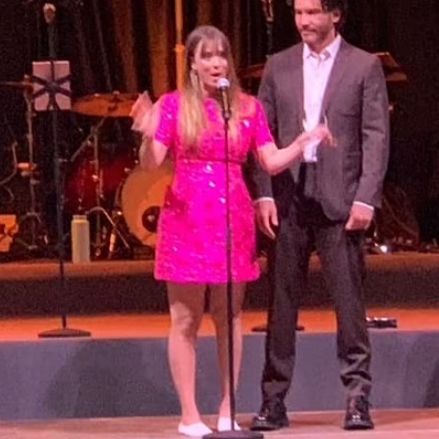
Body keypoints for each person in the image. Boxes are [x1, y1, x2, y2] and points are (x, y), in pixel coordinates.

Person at [130, 25, 330, 438]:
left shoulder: (246, 108)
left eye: (221, 54)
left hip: (232, 216)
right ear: (192, 64)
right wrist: (147, 133)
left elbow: (269, 160)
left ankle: (227, 409)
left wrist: (303, 142)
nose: (216, 62)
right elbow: (152, 163)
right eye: (206, 56)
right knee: (185, 318)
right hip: (187, 217)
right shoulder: (173, 106)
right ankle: (189, 415)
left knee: (230, 315)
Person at [249, 0, 390, 432]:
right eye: (298, 13)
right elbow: (262, 133)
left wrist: (366, 197)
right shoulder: (279, 65)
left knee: (349, 305)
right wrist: (264, 192)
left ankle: (358, 398)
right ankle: (273, 401)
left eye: (312, 12)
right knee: (281, 306)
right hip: (289, 198)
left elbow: (375, 136)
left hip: (341, 200)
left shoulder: (363, 66)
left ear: (335, 14)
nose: (304, 21)